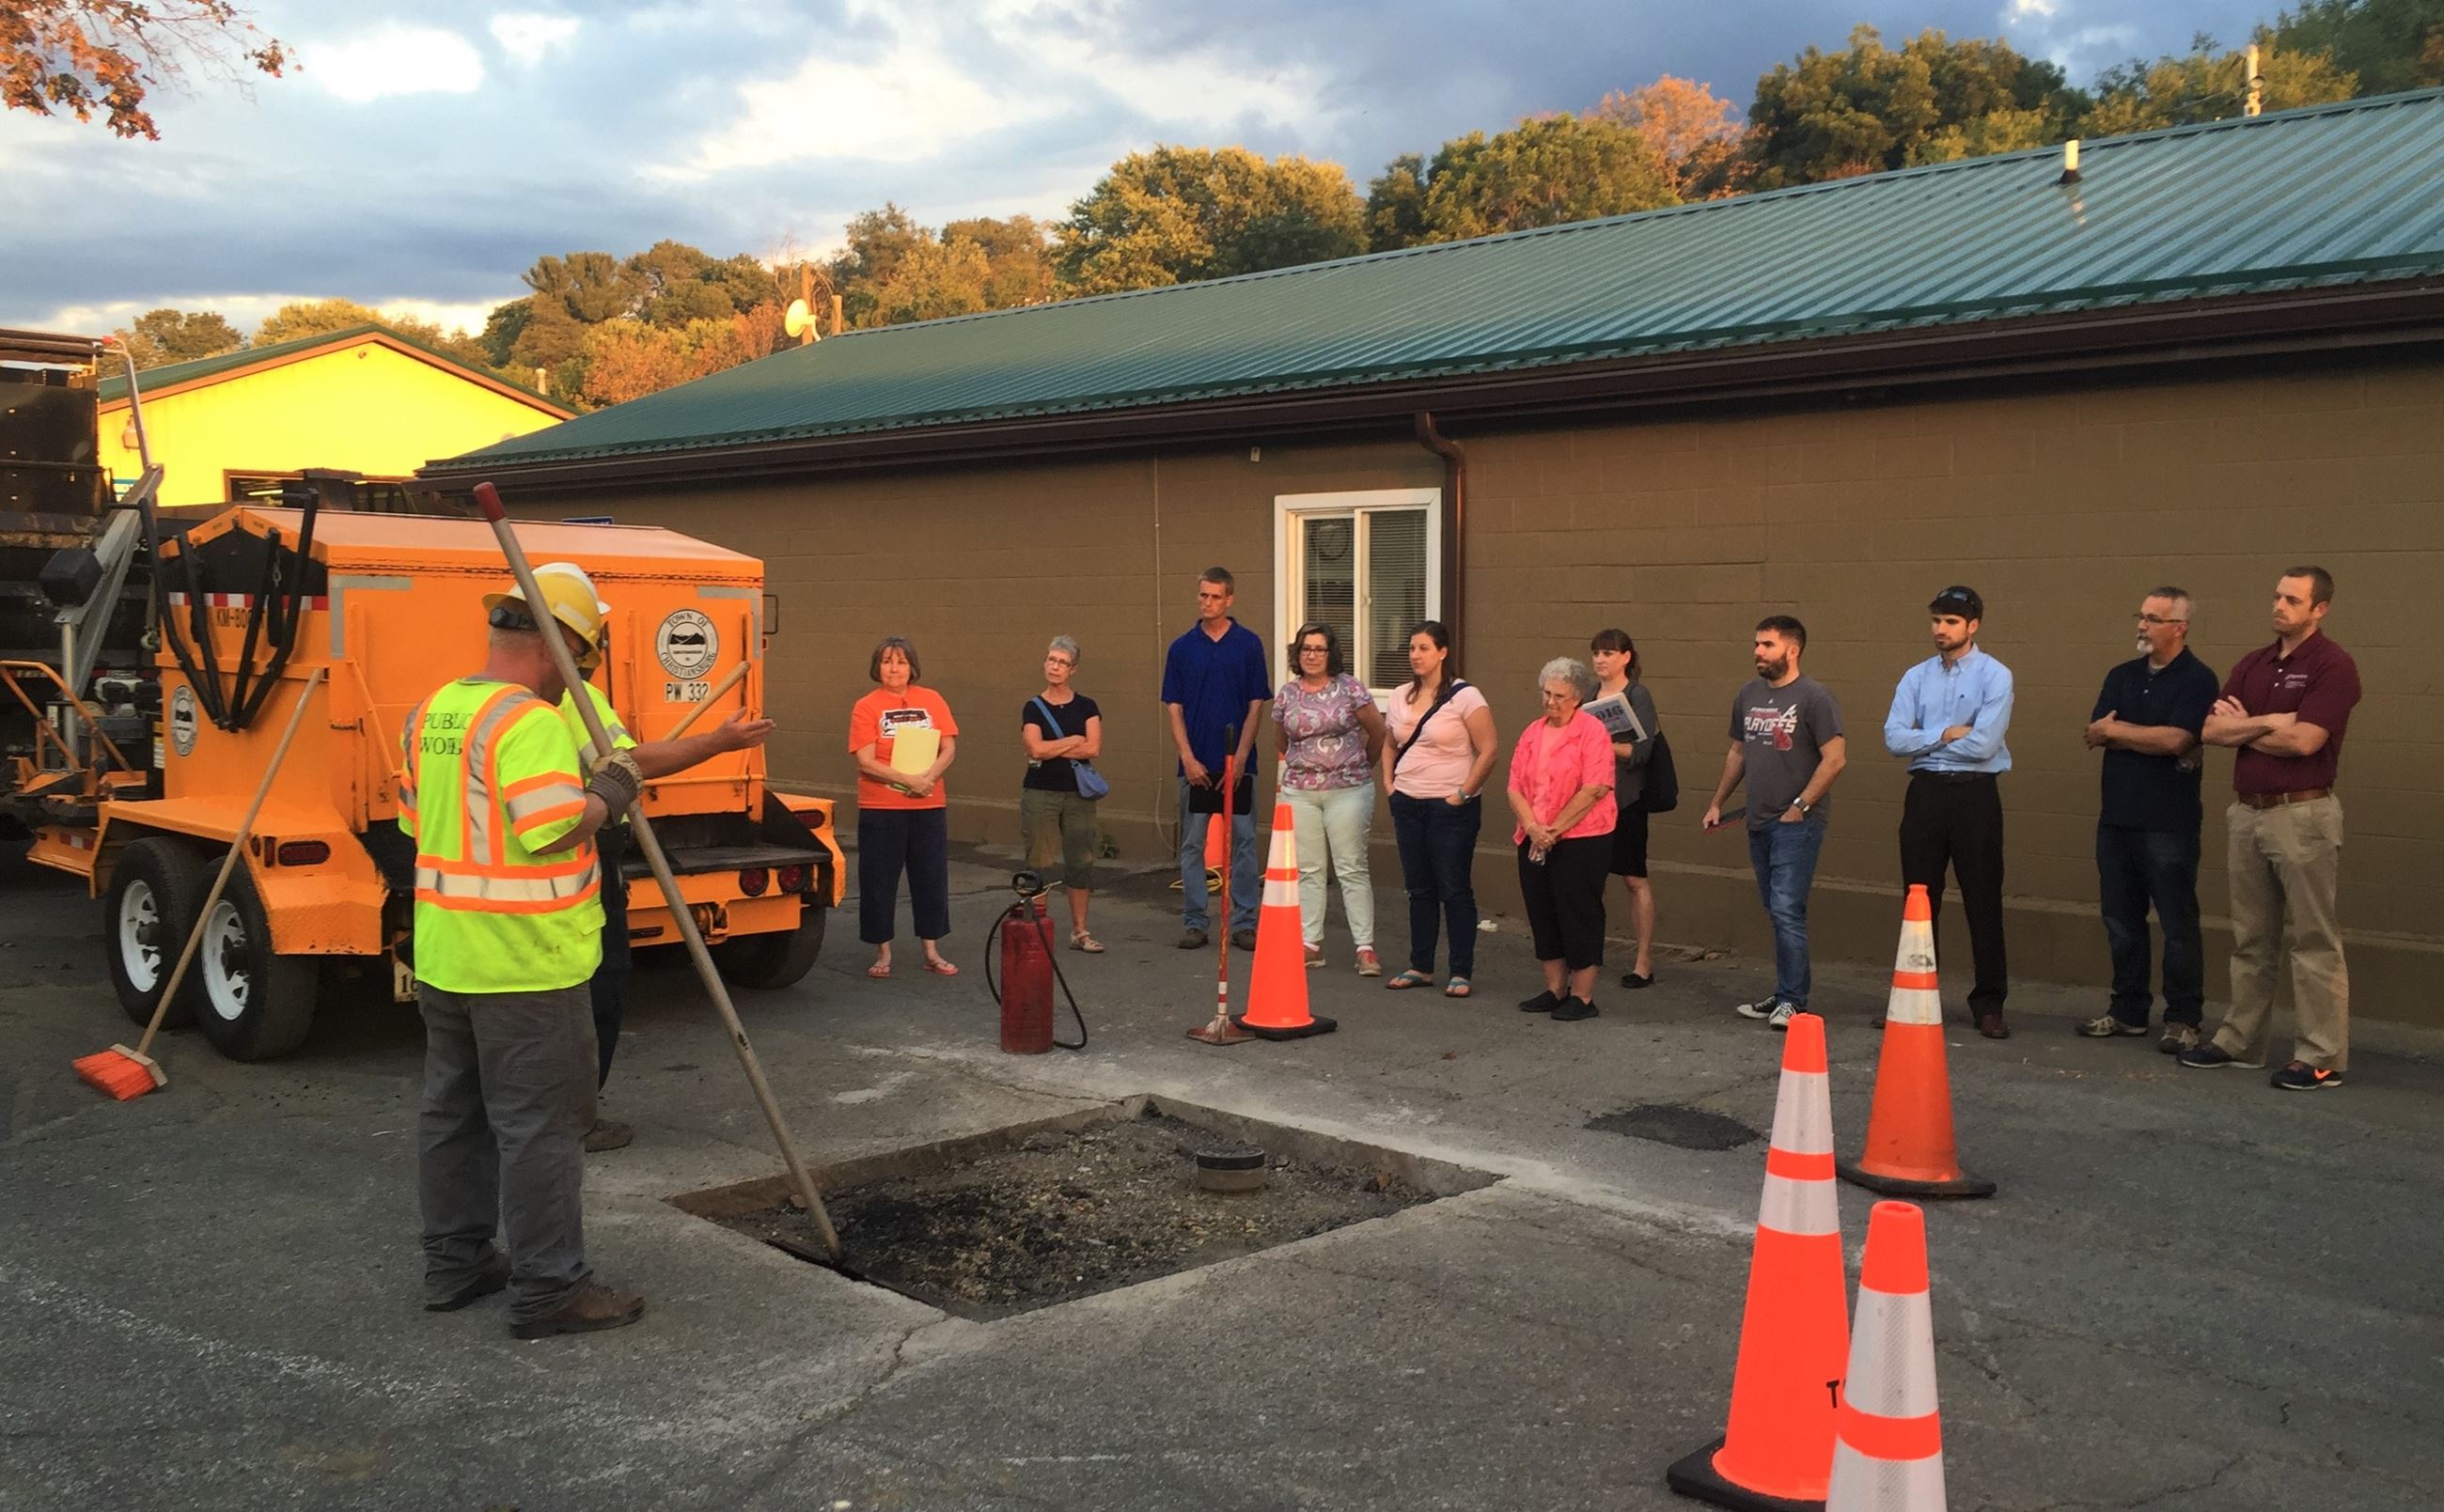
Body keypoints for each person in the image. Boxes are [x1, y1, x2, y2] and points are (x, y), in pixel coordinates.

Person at [402, 572, 645, 1339]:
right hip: (528, 963)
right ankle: (550, 1288)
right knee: (542, 1127)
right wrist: (611, 789)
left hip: (447, 956)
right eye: (583, 660)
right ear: (560, 647)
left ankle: (456, 1261)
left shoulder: (435, 709)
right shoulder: (533, 722)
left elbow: (417, 822)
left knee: (455, 1114)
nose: (580, 677)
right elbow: (552, 826)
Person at [520, 563, 777, 1155]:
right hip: (573, 871)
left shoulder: (464, 705)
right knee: (598, 987)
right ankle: (573, 1119)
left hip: (487, 910)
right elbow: (630, 765)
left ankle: (531, 1115)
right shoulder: (573, 703)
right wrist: (716, 743)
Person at [2183, 567, 2363, 1090]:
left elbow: (2306, 742)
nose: (2279, 605)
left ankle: (2320, 1055)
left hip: (2302, 815)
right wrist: (2272, 720)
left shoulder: (2335, 665)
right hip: (2247, 814)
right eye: (2277, 596)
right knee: (2251, 938)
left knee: (2313, 940)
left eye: (2292, 599)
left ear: (2319, 609)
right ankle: (2240, 1042)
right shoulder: (2253, 663)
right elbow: (2211, 729)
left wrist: (2249, 726)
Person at [2079, 588, 2219, 1052]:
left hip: (2168, 823)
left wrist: (2120, 731)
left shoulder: (2197, 679)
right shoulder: (2121, 675)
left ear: (2179, 627)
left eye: (2153, 619)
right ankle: (2127, 1011)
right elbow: (2094, 731)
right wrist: (2129, 734)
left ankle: (2183, 1018)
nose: (2142, 626)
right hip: (2116, 819)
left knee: (2177, 924)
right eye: (2140, 616)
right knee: (2121, 920)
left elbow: (2177, 741)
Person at [1882, 585, 2016, 1039]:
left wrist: (1929, 738)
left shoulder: (1996, 675)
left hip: (1975, 797)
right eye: (1937, 619)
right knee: (1918, 898)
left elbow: (1984, 744)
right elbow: (1894, 739)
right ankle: (1916, 998)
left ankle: (1989, 1003)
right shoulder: (1915, 677)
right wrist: (1944, 734)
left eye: (1952, 621)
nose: (1941, 629)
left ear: (1973, 625)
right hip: (1925, 795)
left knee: (1983, 898)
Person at [1702, 616, 1847, 1031]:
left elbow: (1835, 758)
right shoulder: (1748, 694)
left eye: (1767, 645)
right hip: (1758, 821)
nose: (1758, 652)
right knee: (1775, 909)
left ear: (1792, 650)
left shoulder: (1815, 697)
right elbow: (1738, 753)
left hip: (1797, 823)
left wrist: (1800, 805)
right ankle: (1784, 993)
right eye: (1756, 644)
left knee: (1787, 910)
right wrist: (1717, 802)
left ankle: (1793, 1001)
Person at [1381, 620, 1496, 999]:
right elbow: (1389, 742)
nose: (1415, 655)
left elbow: (1489, 749)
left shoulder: (1466, 696)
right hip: (1408, 802)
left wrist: (1462, 794)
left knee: (1454, 887)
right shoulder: (1399, 696)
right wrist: (1389, 783)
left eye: (1424, 648)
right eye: (1412, 648)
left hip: (1450, 807)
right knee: (1419, 889)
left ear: (1442, 652)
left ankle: (1460, 970)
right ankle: (1421, 965)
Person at [1161, 567, 1269, 951]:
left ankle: (1243, 922)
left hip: (1238, 767)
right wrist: (1187, 758)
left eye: (1215, 597)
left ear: (1229, 599)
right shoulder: (1181, 647)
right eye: (1203, 595)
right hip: (1196, 765)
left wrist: (1240, 758)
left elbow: (1256, 705)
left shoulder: (1249, 645)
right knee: (1192, 844)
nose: (1208, 603)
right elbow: (1174, 708)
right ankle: (1195, 921)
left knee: (1242, 842)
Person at [1507, 658, 1616, 1022]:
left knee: (1579, 913)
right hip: (1533, 836)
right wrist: (1534, 828)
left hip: (1581, 838)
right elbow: (1515, 788)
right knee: (1543, 911)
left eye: (1559, 696)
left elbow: (1594, 788)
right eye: (1546, 693)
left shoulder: (1593, 732)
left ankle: (1583, 996)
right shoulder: (1532, 732)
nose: (1550, 702)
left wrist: (1554, 830)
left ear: (1578, 698)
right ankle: (1555, 989)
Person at [1275, 622, 1387, 973]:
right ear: (1297, 653)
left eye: (1319, 649)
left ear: (1330, 653)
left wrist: (1360, 768)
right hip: (1300, 792)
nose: (1312, 655)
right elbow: (1281, 740)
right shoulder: (1288, 694)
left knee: (1351, 867)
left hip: (1348, 789)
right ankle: (1311, 943)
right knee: (1309, 869)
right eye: (1306, 648)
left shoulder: (1351, 688)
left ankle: (1365, 948)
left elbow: (1378, 731)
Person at [850, 635, 958, 978]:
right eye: (886, 661)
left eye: (900, 661)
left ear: (912, 667)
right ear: (876, 667)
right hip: (882, 808)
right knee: (879, 880)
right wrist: (905, 779)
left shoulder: (933, 700)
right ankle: (883, 953)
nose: (894, 668)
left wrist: (927, 779)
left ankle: (931, 949)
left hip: (928, 805)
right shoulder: (866, 706)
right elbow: (865, 760)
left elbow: (948, 747)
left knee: (931, 878)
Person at [1020, 635, 1104, 952]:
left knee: (1080, 861)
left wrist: (1051, 749)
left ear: (1074, 669)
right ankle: (1037, 928)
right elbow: (1034, 748)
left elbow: (1094, 747)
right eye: (1051, 660)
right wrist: (1072, 740)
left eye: (1062, 662)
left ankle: (1080, 931)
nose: (1055, 667)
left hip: (1077, 795)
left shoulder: (1087, 705)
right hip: (1040, 792)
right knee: (1039, 861)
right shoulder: (1033, 706)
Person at [1590, 629, 1661, 990]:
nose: (1601, 660)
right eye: (1596, 653)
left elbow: (1642, 753)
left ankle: (1643, 961)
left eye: (1608, 653)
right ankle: (1588, 956)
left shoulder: (1637, 695)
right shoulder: (1588, 696)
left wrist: (1603, 743)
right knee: (1590, 881)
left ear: (1626, 657)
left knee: (1633, 879)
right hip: (1590, 799)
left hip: (1627, 799)